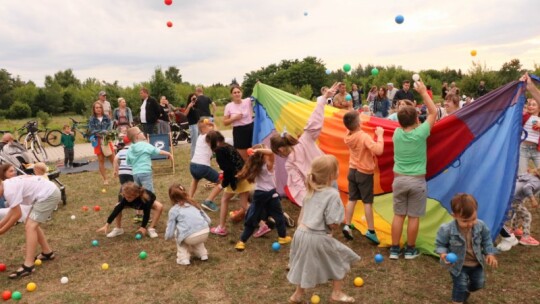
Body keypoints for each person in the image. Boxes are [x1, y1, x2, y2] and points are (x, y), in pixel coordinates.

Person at [287, 155, 360, 304]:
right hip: (316, 236)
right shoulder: (332, 194)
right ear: (332, 175)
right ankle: (337, 293)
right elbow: (332, 222)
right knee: (340, 259)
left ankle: (297, 295)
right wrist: (336, 224)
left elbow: (302, 216)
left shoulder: (311, 191)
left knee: (304, 264)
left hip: (301, 233)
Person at [389, 79, 437, 260]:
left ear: (399, 121)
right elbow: (433, 112)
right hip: (417, 181)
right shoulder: (421, 132)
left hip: (399, 180)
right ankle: (410, 249)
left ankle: (395, 250)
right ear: (417, 119)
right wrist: (424, 92)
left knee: (399, 215)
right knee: (413, 217)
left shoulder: (396, 133)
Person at [270, 82, 339, 206]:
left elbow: (299, 186)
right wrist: (323, 98)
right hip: (330, 176)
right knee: (333, 206)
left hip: (319, 188)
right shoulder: (305, 139)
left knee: (326, 213)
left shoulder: (290, 164)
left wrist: (307, 203)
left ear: (280, 149)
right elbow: (315, 118)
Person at [435, 193, 498, 304]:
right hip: (458, 265)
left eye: (473, 219)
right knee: (460, 285)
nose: (470, 224)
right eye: (465, 221)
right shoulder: (447, 229)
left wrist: (489, 254)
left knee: (479, 283)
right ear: (454, 216)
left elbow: (487, 240)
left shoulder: (481, 226)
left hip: (476, 264)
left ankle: (465, 292)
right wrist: (443, 254)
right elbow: (440, 245)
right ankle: (458, 300)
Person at [0, 175, 61, 279]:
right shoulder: (7, 185)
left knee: (30, 226)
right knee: (30, 223)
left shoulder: (9, 191)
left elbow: (17, 215)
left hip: (48, 196)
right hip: (46, 193)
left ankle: (28, 265)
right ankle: (47, 252)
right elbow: (13, 211)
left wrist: (1, 231)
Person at [234, 145, 291, 251]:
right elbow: (271, 152)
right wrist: (259, 150)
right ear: (264, 155)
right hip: (271, 195)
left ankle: (242, 242)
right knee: (278, 216)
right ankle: (282, 237)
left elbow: (268, 152)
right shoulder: (268, 165)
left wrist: (255, 151)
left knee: (252, 217)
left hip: (259, 195)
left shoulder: (255, 167)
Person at [342, 111, 384, 244]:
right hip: (364, 173)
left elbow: (350, 125)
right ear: (358, 122)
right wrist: (380, 135)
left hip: (352, 171)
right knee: (367, 202)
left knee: (352, 199)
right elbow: (378, 150)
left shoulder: (347, 136)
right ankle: (371, 231)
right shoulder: (363, 137)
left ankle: (347, 225)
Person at [206, 130, 252, 236]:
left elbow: (228, 169)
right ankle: (263, 224)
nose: (208, 145)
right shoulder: (228, 146)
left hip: (236, 178)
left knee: (224, 199)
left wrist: (224, 184)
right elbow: (236, 162)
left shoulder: (219, 151)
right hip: (243, 175)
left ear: (213, 142)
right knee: (244, 204)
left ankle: (221, 227)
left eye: (208, 143)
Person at [165, 183, 211, 265]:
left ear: (171, 198)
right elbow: (208, 220)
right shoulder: (194, 203)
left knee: (178, 234)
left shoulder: (174, 210)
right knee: (193, 231)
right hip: (205, 231)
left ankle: (183, 258)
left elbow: (170, 228)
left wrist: (168, 236)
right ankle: (203, 254)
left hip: (191, 236)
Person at [96, 182, 163, 238]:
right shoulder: (126, 198)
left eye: (129, 197)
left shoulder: (145, 199)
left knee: (159, 206)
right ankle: (118, 229)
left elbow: (146, 213)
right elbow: (117, 210)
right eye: (125, 196)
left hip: (144, 203)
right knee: (117, 206)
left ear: (137, 195)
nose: (127, 198)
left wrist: (143, 227)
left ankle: (151, 228)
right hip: (134, 204)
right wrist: (107, 224)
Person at [497, 172, 540, 250]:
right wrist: (533, 199)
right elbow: (526, 188)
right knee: (527, 216)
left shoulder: (529, 175)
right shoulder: (537, 182)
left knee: (518, 212)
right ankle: (525, 238)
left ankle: (514, 230)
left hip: (508, 195)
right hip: (514, 200)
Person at [126, 126, 172, 194]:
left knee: (137, 191)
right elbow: (157, 151)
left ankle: (140, 203)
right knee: (149, 192)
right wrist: (168, 153)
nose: (142, 133)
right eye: (140, 132)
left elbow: (128, 161)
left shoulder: (130, 148)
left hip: (135, 173)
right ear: (137, 136)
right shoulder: (145, 145)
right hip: (145, 172)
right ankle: (151, 203)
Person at [188, 120, 221, 212]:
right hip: (202, 167)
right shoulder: (208, 137)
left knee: (195, 180)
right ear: (203, 129)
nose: (210, 127)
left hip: (193, 165)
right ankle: (208, 201)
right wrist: (214, 124)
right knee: (222, 181)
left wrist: (208, 125)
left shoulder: (200, 136)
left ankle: (189, 199)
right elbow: (217, 135)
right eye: (208, 126)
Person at [223, 85, 254, 161]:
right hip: (239, 132)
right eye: (234, 93)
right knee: (244, 157)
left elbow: (257, 95)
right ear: (231, 95)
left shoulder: (248, 101)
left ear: (241, 93)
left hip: (251, 129)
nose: (237, 94)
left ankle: (255, 172)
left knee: (254, 155)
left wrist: (258, 85)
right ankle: (247, 172)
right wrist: (234, 118)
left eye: (238, 92)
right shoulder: (229, 106)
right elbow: (225, 122)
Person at [88, 101, 115, 185]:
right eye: (96, 108)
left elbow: (109, 128)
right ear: (94, 109)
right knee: (101, 160)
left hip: (107, 139)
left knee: (113, 158)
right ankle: (105, 179)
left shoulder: (106, 117)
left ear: (102, 108)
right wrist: (102, 131)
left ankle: (117, 173)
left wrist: (104, 132)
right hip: (97, 140)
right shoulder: (92, 119)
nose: (98, 109)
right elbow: (92, 130)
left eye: (100, 107)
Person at [185, 93, 201, 159]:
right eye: (193, 98)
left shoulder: (197, 106)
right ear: (190, 98)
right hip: (193, 126)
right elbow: (185, 114)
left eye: (195, 98)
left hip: (198, 125)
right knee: (194, 143)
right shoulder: (189, 106)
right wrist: (189, 106)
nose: (194, 99)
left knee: (199, 142)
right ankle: (193, 158)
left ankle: (198, 157)